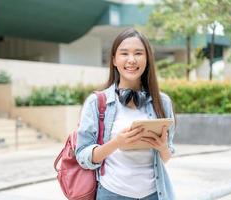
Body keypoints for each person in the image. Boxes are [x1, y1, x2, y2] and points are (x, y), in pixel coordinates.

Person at [75, 28, 176, 200]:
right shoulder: (96, 102)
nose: (131, 60)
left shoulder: (162, 102)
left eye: (138, 53)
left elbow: (166, 157)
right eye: (124, 53)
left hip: (154, 195)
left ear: (147, 59)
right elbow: (82, 156)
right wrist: (116, 143)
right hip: (112, 194)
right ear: (114, 60)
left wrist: (162, 147)